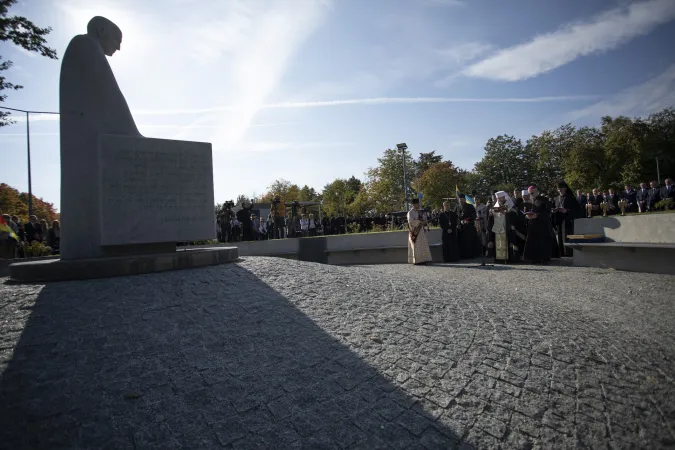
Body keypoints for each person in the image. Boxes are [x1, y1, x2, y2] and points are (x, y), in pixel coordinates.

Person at [488, 191, 523, 263]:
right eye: (497, 198)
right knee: (498, 242)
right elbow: (493, 218)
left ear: (503, 197)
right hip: (498, 227)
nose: (498, 199)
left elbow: (515, 215)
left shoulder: (510, 205)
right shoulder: (496, 205)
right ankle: (498, 259)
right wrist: (491, 215)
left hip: (507, 227)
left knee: (509, 242)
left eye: (499, 198)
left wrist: (506, 213)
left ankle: (509, 259)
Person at [523, 186, 552, 264]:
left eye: (532, 193)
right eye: (530, 194)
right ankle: (534, 258)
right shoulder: (530, 201)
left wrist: (537, 215)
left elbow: (548, 212)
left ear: (537, 191)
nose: (531, 195)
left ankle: (544, 258)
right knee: (533, 242)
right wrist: (527, 215)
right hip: (533, 224)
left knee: (542, 242)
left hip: (542, 224)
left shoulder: (544, 200)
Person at [552, 180, 582, 257]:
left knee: (567, 237)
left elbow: (577, 210)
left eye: (561, 188)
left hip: (567, 221)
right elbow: (553, 208)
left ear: (565, 188)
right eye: (558, 189)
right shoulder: (556, 198)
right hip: (559, 220)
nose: (559, 190)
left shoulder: (571, 198)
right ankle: (561, 253)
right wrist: (554, 210)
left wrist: (566, 211)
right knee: (560, 237)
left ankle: (568, 254)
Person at [407, 199, 432, 265]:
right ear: (413, 205)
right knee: (416, 246)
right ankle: (417, 260)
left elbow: (425, 219)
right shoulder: (410, 212)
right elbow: (411, 221)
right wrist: (420, 222)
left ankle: (424, 259)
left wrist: (424, 221)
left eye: (418, 204)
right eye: (417, 204)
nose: (418, 205)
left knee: (423, 245)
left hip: (421, 231)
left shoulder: (421, 211)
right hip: (415, 231)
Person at [455, 194, 481, 259]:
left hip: (469, 227)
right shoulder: (457, 207)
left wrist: (467, 220)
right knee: (462, 242)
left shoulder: (470, 206)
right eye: (459, 200)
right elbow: (455, 216)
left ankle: (470, 255)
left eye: (462, 199)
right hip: (461, 228)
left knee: (469, 242)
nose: (461, 201)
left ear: (464, 199)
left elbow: (473, 215)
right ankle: (463, 255)